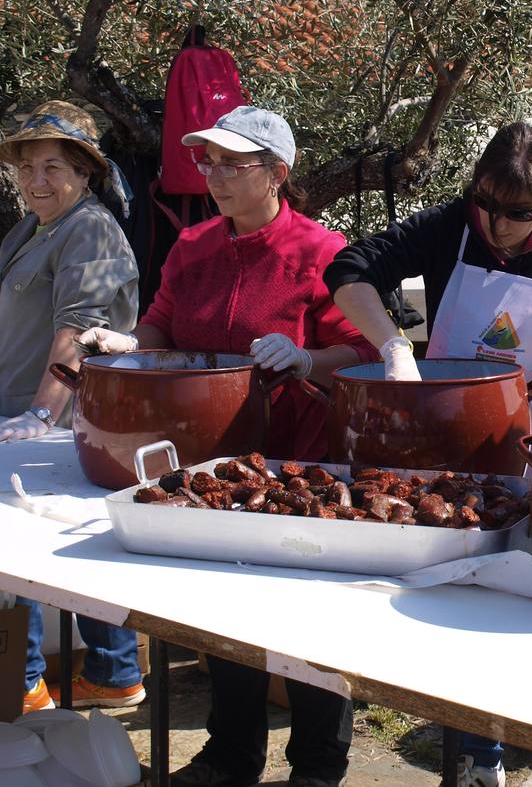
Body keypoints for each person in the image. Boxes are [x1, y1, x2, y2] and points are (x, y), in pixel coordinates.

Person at [81, 106, 375, 787]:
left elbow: (364, 350)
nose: (213, 175)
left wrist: (306, 358)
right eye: (208, 161)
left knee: (307, 621)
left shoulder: (324, 253)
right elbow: (160, 325)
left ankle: (317, 767)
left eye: (231, 163)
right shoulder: (193, 246)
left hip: (299, 467)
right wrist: (130, 346)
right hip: (207, 464)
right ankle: (231, 754)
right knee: (223, 614)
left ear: (276, 173)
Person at [325, 122, 532, 787]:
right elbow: (347, 268)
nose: (497, 223)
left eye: (517, 213)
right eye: (485, 202)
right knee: (459, 605)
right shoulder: (450, 228)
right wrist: (393, 345)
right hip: (453, 448)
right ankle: (474, 757)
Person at [0, 100, 145, 714]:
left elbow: (79, 331)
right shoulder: (33, 226)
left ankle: (27, 683)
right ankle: (107, 675)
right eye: (27, 167)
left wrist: (39, 414)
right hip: (23, 414)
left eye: (52, 166)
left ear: (85, 172)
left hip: (56, 422)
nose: (36, 182)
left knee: (26, 553)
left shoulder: (88, 226)